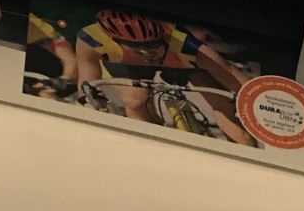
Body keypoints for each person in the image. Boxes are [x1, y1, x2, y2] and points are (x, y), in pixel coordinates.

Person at [74, 8, 256, 145]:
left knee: (220, 101)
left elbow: (230, 73)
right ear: (114, 40)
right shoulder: (91, 40)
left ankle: (244, 152)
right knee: (135, 103)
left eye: (152, 45)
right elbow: (88, 81)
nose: (146, 52)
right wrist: (91, 101)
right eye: (136, 47)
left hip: (181, 62)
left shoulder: (182, 42)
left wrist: (256, 102)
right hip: (128, 66)